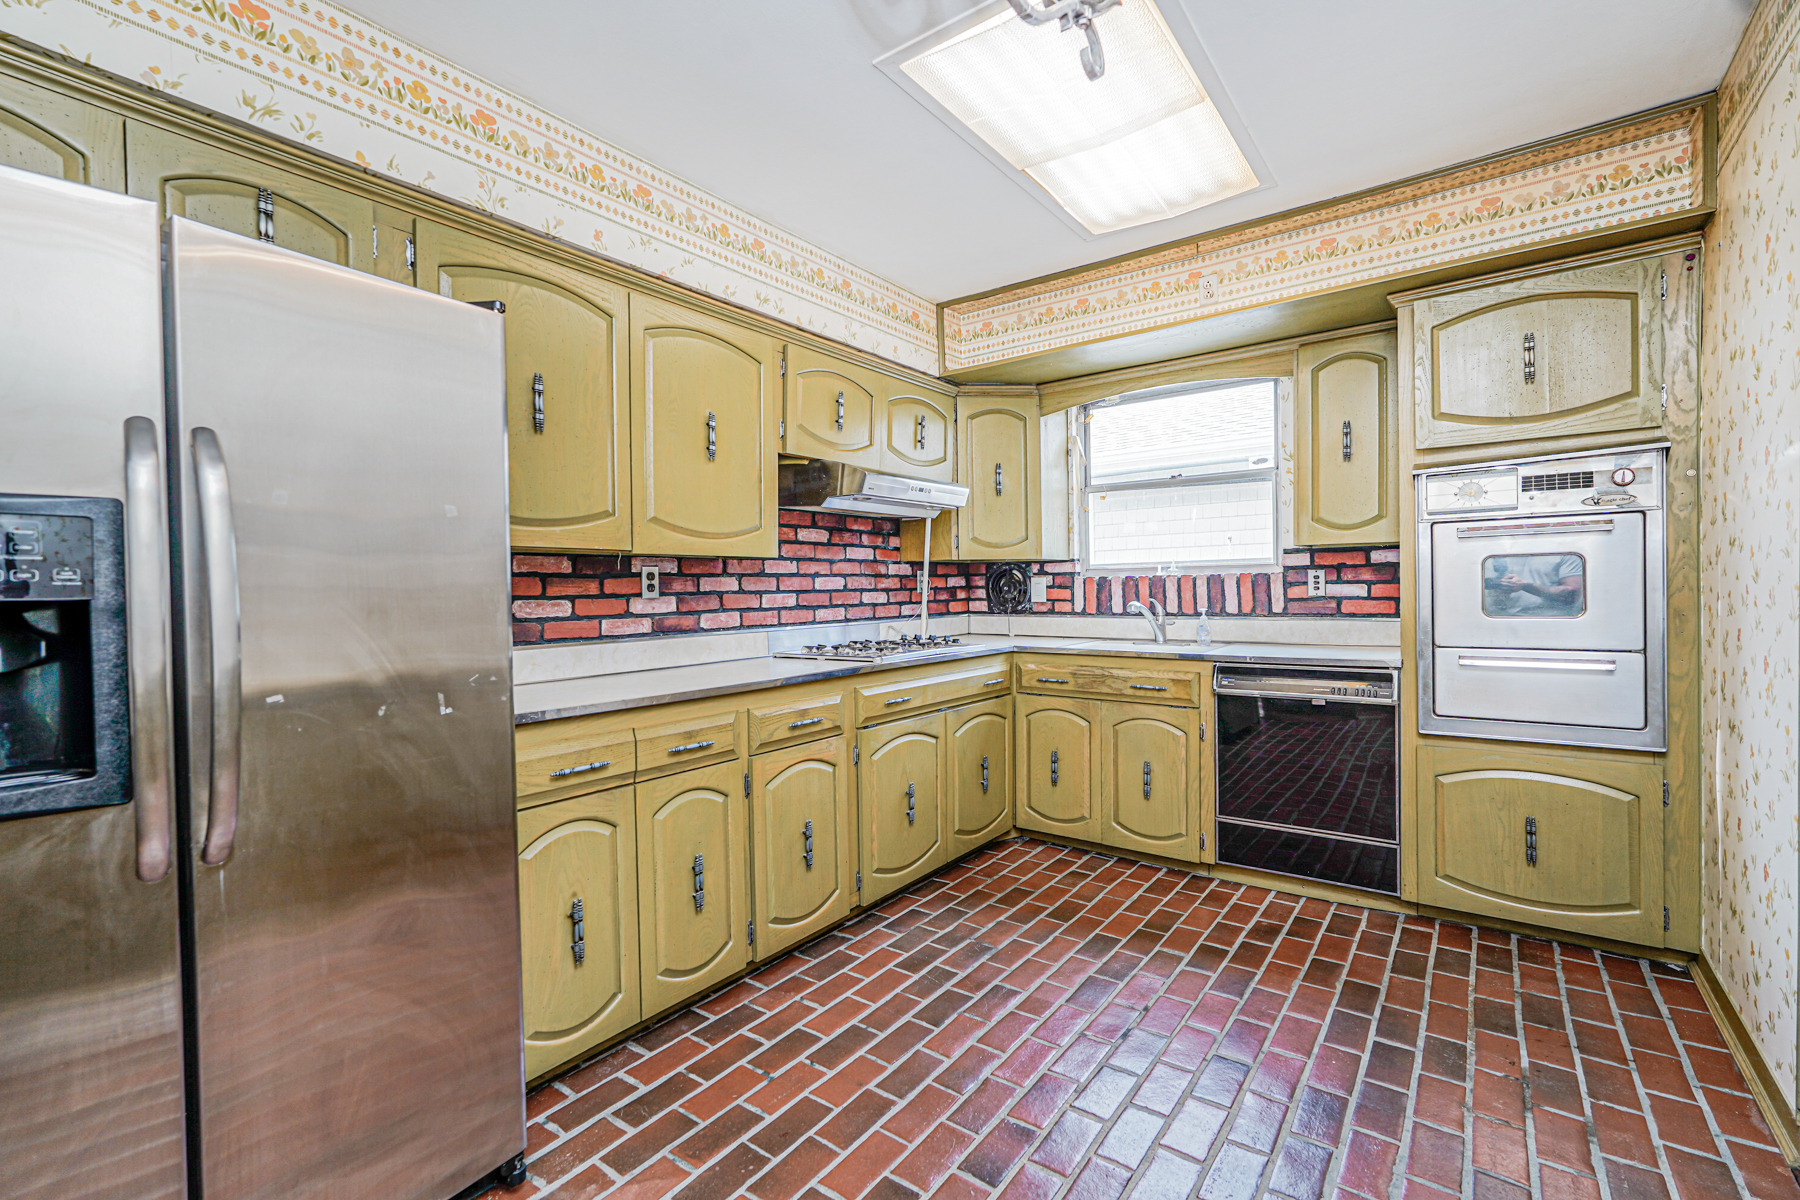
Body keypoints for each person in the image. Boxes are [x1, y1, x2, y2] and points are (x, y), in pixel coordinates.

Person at [1482, 553, 1584, 616]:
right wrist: (1501, 591)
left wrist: (1525, 586)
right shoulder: (1503, 552)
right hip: (1506, 618)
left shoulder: (1564, 552)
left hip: (1550, 619)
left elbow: (1572, 594)